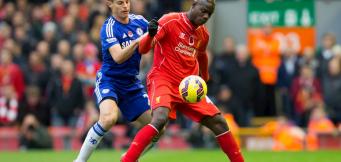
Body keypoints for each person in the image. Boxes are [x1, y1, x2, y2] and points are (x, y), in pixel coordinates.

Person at [121, 0, 244, 162]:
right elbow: (144, 49)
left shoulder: (203, 34)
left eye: (209, 14)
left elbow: (202, 56)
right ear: (193, 5)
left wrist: (204, 78)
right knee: (159, 119)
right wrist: (150, 34)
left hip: (189, 87)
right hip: (163, 79)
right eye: (203, 10)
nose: (205, 16)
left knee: (220, 122)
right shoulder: (170, 21)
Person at [74, 0, 159, 161]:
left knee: (158, 126)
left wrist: (155, 33)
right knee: (108, 118)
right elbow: (118, 57)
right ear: (109, 4)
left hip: (131, 84)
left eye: (127, 2)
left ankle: (130, 157)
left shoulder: (140, 21)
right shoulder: (108, 28)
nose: (125, 6)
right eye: (120, 3)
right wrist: (139, 40)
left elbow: (158, 36)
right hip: (109, 81)